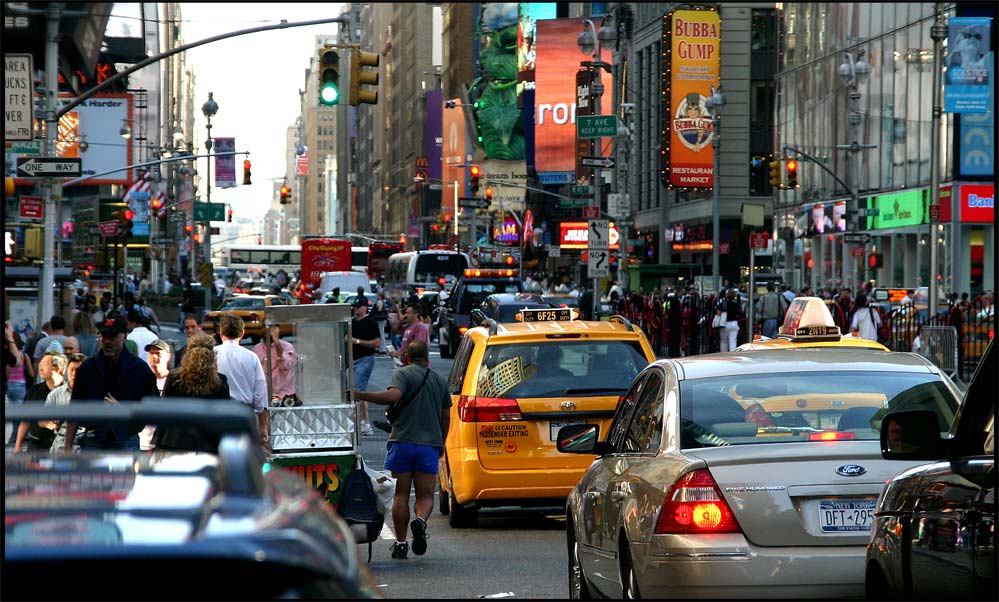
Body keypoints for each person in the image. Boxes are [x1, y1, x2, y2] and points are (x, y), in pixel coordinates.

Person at [352, 341, 451, 560]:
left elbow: (393, 396)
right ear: (428, 359)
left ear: (406, 357)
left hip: (402, 442)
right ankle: (421, 521)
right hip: (428, 446)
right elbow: (446, 416)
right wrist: (440, 442)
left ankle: (401, 543)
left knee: (401, 495)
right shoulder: (439, 380)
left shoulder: (402, 373)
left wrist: (361, 395)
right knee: (425, 495)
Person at [63, 317, 157, 450]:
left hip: (126, 439)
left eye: (112, 337)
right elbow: (74, 408)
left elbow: (152, 409)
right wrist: (67, 446)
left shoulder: (140, 370)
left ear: (124, 336)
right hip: (94, 439)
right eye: (104, 336)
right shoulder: (87, 368)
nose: (107, 341)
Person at [155, 333, 232, 452]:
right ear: (212, 357)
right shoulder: (220, 381)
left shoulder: (175, 378)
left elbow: (164, 413)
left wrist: (158, 443)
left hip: (175, 441)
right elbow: (224, 417)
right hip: (208, 443)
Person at [214, 314, 269, 445]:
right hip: (244, 414)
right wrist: (263, 425)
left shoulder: (212, 353)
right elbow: (260, 392)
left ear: (220, 332)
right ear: (242, 333)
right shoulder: (251, 357)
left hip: (217, 413)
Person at [14, 351, 67, 452]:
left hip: (61, 446)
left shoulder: (68, 392)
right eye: (40, 364)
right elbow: (25, 420)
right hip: (36, 446)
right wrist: (18, 446)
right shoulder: (34, 391)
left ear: (58, 368)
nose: (40, 367)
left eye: (45, 364)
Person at [349, 297, 382, 435]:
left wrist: (357, 341)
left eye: (358, 306)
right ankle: (362, 421)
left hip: (365, 359)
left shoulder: (370, 323)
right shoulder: (351, 323)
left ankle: (365, 423)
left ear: (364, 308)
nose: (355, 309)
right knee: (355, 392)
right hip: (351, 361)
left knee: (358, 391)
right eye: (354, 307)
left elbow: (376, 343)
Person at [46, 352, 87, 453]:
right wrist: (50, 422)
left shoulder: (94, 393)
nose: (74, 374)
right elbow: (43, 420)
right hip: (61, 442)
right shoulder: (55, 394)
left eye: (78, 371)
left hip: (87, 443)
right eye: (71, 370)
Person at [253, 324, 297, 407]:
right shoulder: (257, 349)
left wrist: (276, 342)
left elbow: (285, 366)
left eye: (272, 327)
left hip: (285, 397)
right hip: (265, 396)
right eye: (265, 326)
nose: (268, 330)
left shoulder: (287, 347)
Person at [5, 330, 33, 408]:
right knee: (20, 412)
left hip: (8, 385)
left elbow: (7, 370)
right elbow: (31, 373)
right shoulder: (24, 355)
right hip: (20, 385)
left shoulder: (7, 355)